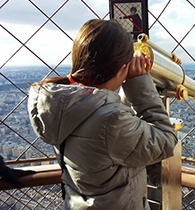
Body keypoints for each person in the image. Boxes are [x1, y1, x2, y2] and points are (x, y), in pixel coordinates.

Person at [27, 19, 177, 210]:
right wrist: (140, 86)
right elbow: (166, 141)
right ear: (123, 69)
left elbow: (107, 125)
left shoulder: (62, 105)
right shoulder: (111, 122)